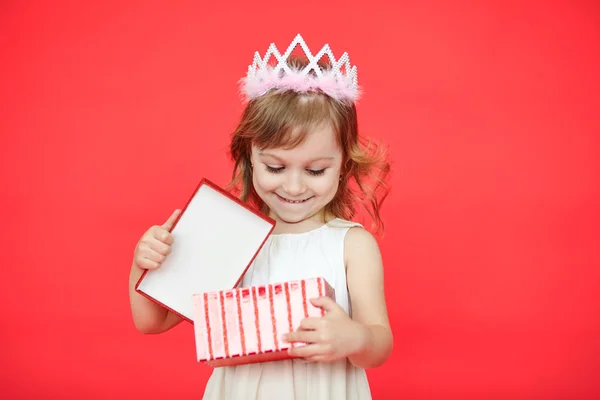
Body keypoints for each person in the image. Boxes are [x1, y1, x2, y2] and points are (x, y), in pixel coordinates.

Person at [128, 34, 393, 399]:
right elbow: (151, 321)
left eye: (315, 170)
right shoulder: (229, 236)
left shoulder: (351, 244)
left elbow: (379, 343)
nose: (295, 186)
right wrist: (144, 264)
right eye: (275, 166)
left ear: (343, 166)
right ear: (249, 157)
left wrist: (355, 337)